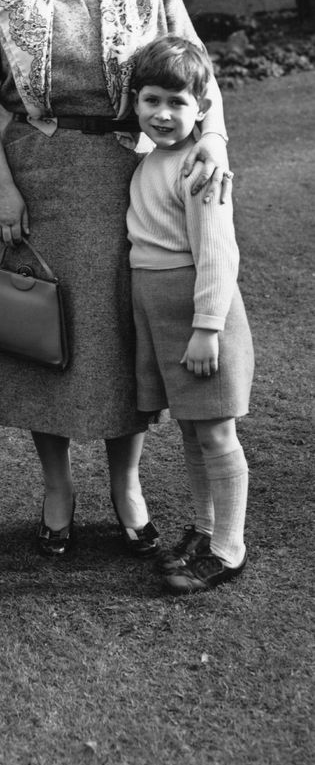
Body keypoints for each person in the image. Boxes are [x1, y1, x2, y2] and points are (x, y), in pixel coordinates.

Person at [0, 0, 233, 558]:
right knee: (38, 333)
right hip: (34, 181)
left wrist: (212, 139)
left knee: (116, 337)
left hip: (128, 179)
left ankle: (126, 484)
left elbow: (194, 69)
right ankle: (54, 488)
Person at [127, 35, 253, 593]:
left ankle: (228, 549)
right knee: (193, 430)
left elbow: (219, 255)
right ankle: (205, 530)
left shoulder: (202, 170)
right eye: (152, 99)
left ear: (202, 108)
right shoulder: (151, 160)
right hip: (160, 310)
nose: (163, 113)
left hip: (200, 316)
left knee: (218, 433)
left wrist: (207, 329)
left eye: (178, 103)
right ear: (136, 104)